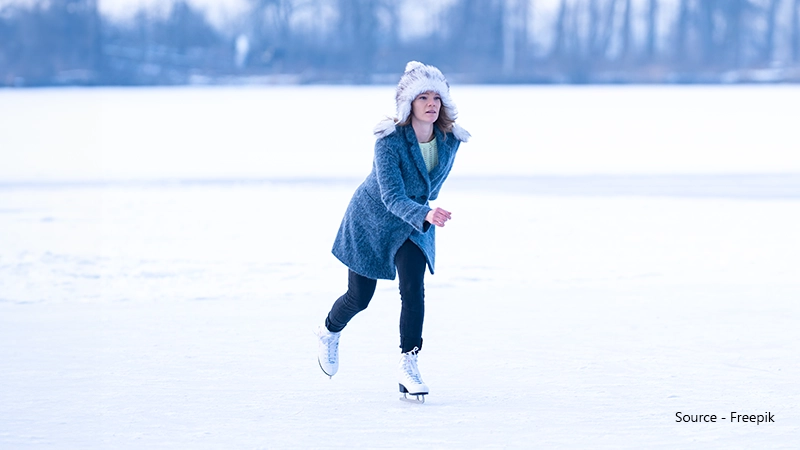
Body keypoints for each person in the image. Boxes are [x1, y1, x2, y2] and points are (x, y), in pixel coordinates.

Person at [316, 61, 470, 400]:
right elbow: (391, 196)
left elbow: (429, 187)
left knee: (413, 286)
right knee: (360, 298)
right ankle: (329, 330)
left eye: (436, 98)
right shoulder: (388, 141)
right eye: (423, 97)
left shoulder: (449, 141)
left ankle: (408, 363)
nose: (431, 104)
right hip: (373, 218)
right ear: (408, 104)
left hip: (416, 222)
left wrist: (425, 215)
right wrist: (426, 213)